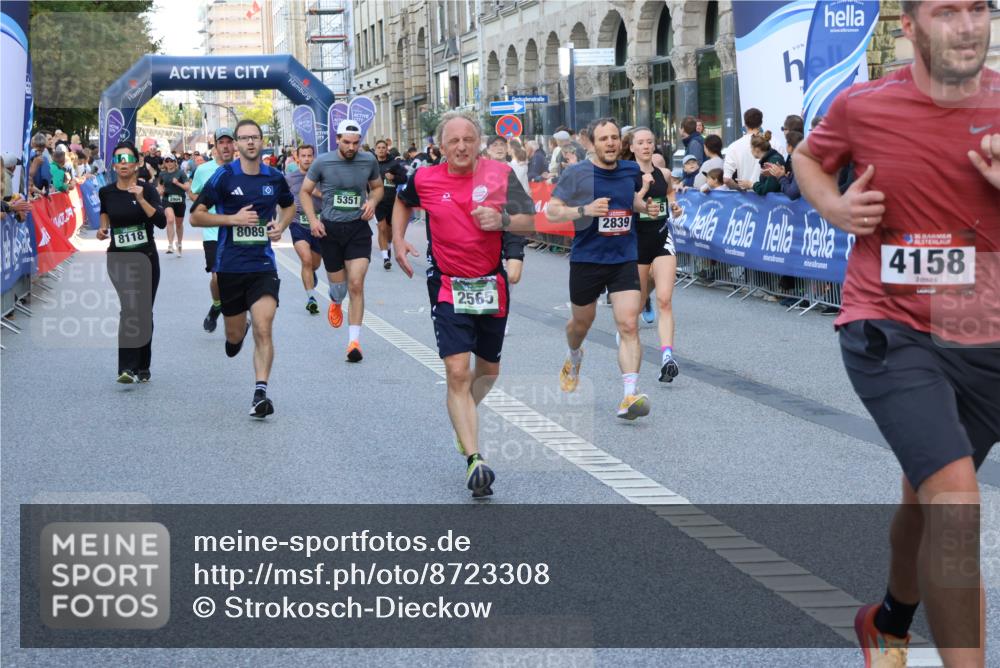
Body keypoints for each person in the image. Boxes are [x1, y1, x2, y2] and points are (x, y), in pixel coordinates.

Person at [793, 2, 998, 666]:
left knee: (928, 492)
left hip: (984, 331)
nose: (968, 25)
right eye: (947, 11)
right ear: (908, 26)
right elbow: (808, 157)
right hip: (890, 322)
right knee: (955, 503)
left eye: (979, 7)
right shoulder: (864, 107)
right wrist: (836, 206)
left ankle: (889, 620)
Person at [392, 111, 535, 497]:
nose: (461, 147)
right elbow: (402, 202)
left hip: (490, 284)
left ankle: (463, 417)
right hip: (447, 285)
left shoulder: (500, 174)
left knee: (487, 371)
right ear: (441, 146)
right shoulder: (424, 178)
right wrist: (398, 239)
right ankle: (475, 458)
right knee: (457, 372)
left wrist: (502, 219)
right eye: (453, 140)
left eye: (468, 140)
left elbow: (528, 219)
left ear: (478, 143)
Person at [545, 117, 661, 420]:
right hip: (588, 259)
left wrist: (645, 207)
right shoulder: (577, 173)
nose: (610, 143)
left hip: (623, 258)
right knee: (580, 325)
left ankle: (629, 395)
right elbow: (552, 211)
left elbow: (631, 199)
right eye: (603, 138)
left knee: (629, 325)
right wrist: (584, 209)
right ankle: (574, 355)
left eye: (614, 137)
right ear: (593, 144)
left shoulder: (630, 170)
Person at [190, 119, 296, 418]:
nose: (250, 142)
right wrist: (232, 219)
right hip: (230, 266)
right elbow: (195, 216)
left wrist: (281, 226)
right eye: (244, 138)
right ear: (236, 144)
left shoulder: (274, 177)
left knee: (264, 325)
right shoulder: (224, 177)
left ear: (262, 142)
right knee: (234, 336)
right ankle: (237, 332)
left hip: (262, 265)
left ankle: (260, 393)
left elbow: (289, 206)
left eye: (255, 137)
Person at [299, 119, 384, 362]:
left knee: (356, 283)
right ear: (337, 139)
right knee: (339, 289)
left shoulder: (368, 160)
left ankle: (353, 343)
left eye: (356, 143)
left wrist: (372, 201)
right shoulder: (322, 162)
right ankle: (336, 301)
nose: (351, 147)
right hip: (330, 231)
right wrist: (313, 221)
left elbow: (377, 187)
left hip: (358, 229)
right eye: (346, 142)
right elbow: (305, 191)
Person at [95, 141, 167, 384]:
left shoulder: (148, 190)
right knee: (129, 309)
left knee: (143, 311)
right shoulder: (106, 192)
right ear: (114, 165)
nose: (123, 163)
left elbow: (161, 222)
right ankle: (126, 367)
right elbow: (105, 212)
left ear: (137, 163)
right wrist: (103, 229)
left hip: (146, 259)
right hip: (119, 258)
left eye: (127, 158)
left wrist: (141, 199)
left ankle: (143, 365)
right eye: (118, 159)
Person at [621, 127, 685, 382]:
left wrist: (674, 206)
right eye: (641, 143)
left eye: (649, 142)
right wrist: (643, 188)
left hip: (661, 239)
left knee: (665, 299)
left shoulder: (664, 173)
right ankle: (627, 331)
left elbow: (669, 193)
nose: (646, 146)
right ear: (632, 147)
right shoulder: (626, 175)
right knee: (635, 305)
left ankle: (667, 357)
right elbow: (629, 203)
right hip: (636, 243)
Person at [187, 128, 236, 333]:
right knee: (217, 277)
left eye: (228, 142)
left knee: (235, 277)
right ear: (215, 146)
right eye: (221, 142)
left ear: (234, 145)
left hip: (236, 232)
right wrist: (204, 206)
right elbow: (193, 192)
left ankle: (236, 315)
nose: (225, 146)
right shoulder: (203, 170)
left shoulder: (243, 168)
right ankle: (217, 305)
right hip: (212, 231)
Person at [284, 144, 324, 313]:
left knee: (315, 263)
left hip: (318, 224)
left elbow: (329, 197)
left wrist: (317, 193)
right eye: (303, 156)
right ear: (297, 158)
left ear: (314, 157)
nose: (307, 159)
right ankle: (311, 298)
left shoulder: (322, 177)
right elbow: (282, 201)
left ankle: (311, 272)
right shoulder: (289, 178)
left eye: (309, 155)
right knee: (306, 260)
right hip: (297, 223)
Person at [373, 138, 408, 271]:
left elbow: (404, 178)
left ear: (387, 149)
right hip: (378, 202)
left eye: (383, 147)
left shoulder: (393, 163)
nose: (381, 150)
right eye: (379, 148)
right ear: (375, 150)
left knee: (389, 231)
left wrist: (394, 178)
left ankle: (387, 248)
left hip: (392, 202)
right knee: (381, 228)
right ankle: (385, 258)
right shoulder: (372, 164)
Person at [724, 107, 765, 191]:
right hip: (767, 196)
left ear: (745, 124)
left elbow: (727, 179)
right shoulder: (774, 144)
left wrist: (740, 189)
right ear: (761, 123)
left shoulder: (734, 146)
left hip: (745, 196)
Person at [156, 155, 187, 255]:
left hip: (180, 200)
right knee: (170, 219)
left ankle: (179, 243)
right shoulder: (162, 174)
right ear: (164, 163)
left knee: (179, 224)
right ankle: (170, 245)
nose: (169, 163)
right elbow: (160, 186)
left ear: (175, 162)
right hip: (167, 199)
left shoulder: (180, 173)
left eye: (171, 161)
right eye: (167, 161)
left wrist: (177, 183)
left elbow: (187, 187)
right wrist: (160, 191)